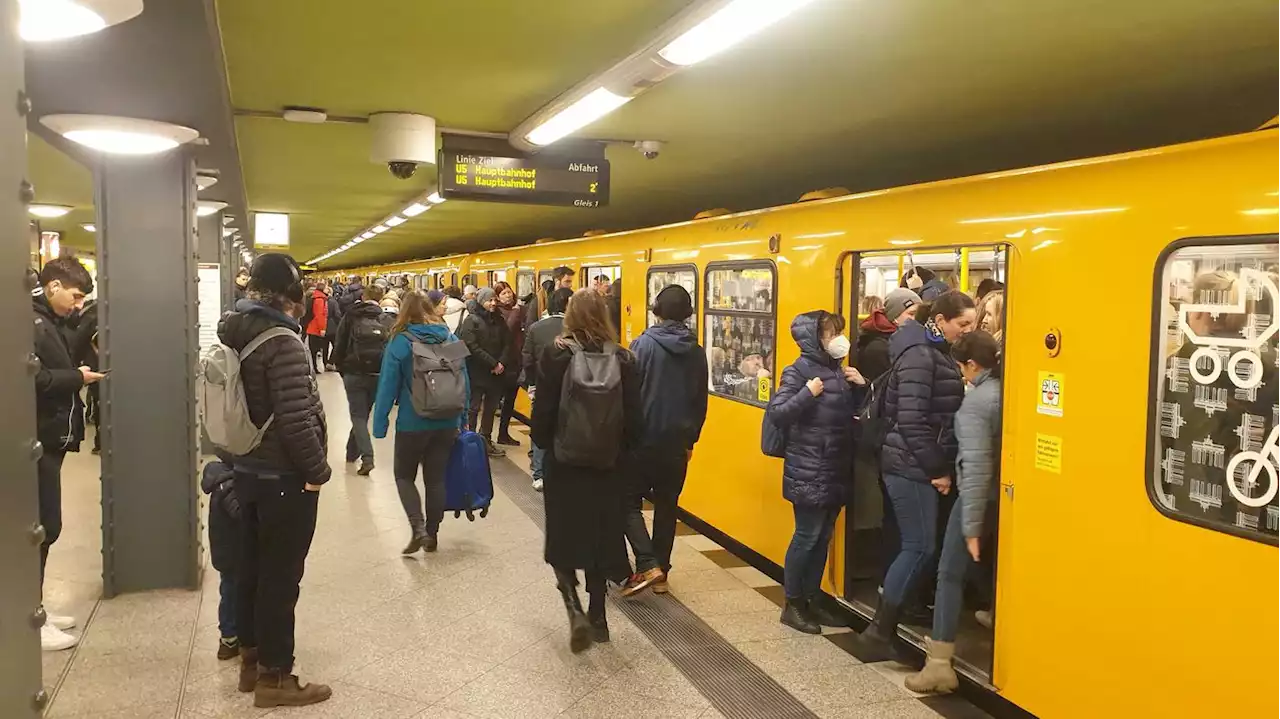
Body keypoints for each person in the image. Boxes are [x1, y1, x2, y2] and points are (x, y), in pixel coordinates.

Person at [217, 252, 332, 707]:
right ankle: (276, 678)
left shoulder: (234, 329)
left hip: (244, 468)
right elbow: (295, 419)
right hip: (282, 475)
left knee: (250, 570)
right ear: (291, 293)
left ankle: (250, 663)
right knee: (281, 579)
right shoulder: (281, 340)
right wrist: (317, 472)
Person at [855, 290, 975, 660]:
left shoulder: (929, 351)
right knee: (919, 547)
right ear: (939, 322)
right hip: (911, 466)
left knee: (918, 545)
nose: (968, 331)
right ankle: (878, 632)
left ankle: (881, 630)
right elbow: (911, 419)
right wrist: (937, 469)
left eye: (974, 324)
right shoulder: (922, 356)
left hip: (912, 463)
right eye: (963, 324)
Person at [530, 289, 641, 653]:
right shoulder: (625, 358)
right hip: (608, 466)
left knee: (563, 537)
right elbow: (636, 422)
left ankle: (573, 609)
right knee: (599, 537)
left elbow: (542, 417)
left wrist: (547, 445)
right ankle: (598, 617)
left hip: (564, 464)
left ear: (571, 316)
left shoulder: (556, 353)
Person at [905, 330, 1002, 693]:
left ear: (972, 365)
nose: (961, 375)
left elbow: (976, 468)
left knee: (949, 572)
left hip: (980, 498)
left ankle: (940, 664)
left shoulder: (977, 404)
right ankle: (995, 615)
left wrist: (972, 524)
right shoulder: (1008, 390)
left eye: (961, 368)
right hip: (1005, 499)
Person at [767, 311, 866, 633]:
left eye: (838, 332)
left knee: (823, 536)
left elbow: (850, 414)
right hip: (809, 468)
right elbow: (778, 413)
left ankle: (812, 598)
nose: (837, 339)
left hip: (835, 466)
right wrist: (807, 393)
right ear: (813, 338)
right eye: (829, 333)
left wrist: (862, 388)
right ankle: (792, 603)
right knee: (806, 536)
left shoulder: (838, 371)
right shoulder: (798, 371)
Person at [32, 256, 103, 652]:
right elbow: (34, 378)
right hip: (38, 437)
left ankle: (35, 610)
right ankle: (29, 616)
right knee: (40, 528)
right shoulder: (31, 323)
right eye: (75, 297)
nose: (78, 305)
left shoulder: (48, 322)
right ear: (53, 286)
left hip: (48, 439)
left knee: (46, 527)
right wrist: (76, 377)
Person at [619, 285, 709, 597]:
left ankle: (648, 563)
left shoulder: (642, 345)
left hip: (642, 440)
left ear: (656, 310)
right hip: (676, 443)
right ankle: (664, 575)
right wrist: (690, 440)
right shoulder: (696, 351)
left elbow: (629, 394)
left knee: (627, 501)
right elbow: (700, 400)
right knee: (668, 506)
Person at [373, 290, 470, 554]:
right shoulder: (450, 336)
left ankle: (417, 528)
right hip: (447, 421)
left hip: (413, 422)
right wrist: (463, 417)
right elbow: (464, 381)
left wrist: (379, 423)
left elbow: (387, 386)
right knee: (435, 479)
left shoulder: (400, 341)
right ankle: (433, 534)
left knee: (404, 475)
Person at [331, 284, 394, 475]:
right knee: (363, 415)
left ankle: (367, 457)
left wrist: (341, 368)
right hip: (377, 374)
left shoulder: (351, 315)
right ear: (381, 297)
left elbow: (339, 343)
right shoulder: (386, 319)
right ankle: (351, 453)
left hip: (354, 373)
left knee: (358, 416)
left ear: (363, 296)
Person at [523, 287, 572, 491]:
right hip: (568, 387)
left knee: (540, 425)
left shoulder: (536, 327)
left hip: (542, 385)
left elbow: (527, 358)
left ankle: (538, 473)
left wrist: (531, 383)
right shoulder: (573, 328)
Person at [459, 287, 511, 456]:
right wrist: (493, 363)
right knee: (473, 408)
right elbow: (471, 346)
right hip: (477, 371)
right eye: (490, 300)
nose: (493, 303)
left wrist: (502, 362)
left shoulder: (499, 320)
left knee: (490, 408)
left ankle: (486, 440)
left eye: (495, 300)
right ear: (481, 301)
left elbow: (508, 342)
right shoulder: (471, 320)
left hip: (496, 373)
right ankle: (470, 439)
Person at [202, 457, 243, 661]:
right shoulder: (229, 482)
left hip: (226, 551)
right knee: (233, 593)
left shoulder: (218, 477)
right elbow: (239, 512)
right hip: (235, 552)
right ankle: (230, 638)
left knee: (228, 591)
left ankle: (229, 637)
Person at [856, 288, 920, 382]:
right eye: (911, 314)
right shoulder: (878, 348)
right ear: (894, 317)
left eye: (919, 314)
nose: (917, 319)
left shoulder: (911, 340)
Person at [493, 281, 530, 445]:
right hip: (504, 362)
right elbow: (507, 329)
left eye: (509, 292)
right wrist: (515, 313)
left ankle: (503, 433)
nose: (508, 296)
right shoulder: (498, 312)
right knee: (499, 399)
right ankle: (490, 434)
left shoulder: (521, 310)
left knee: (510, 400)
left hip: (517, 361)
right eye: (503, 293)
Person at [303, 279, 330, 373]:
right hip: (315, 328)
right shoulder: (319, 299)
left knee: (314, 350)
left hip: (313, 327)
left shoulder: (317, 297)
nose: (328, 289)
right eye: (326, 288)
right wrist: (322, 328)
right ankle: (314, 368)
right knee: (315, 350)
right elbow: (319, 315)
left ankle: (314, 367)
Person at [323, 284, 341, 372]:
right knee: (336, 345)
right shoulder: (333, 302)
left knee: (324, 346)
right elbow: (337, 314)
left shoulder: (321, 301)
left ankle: (324, 362)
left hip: (323, 326)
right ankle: (331, 362)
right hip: (333, 327)